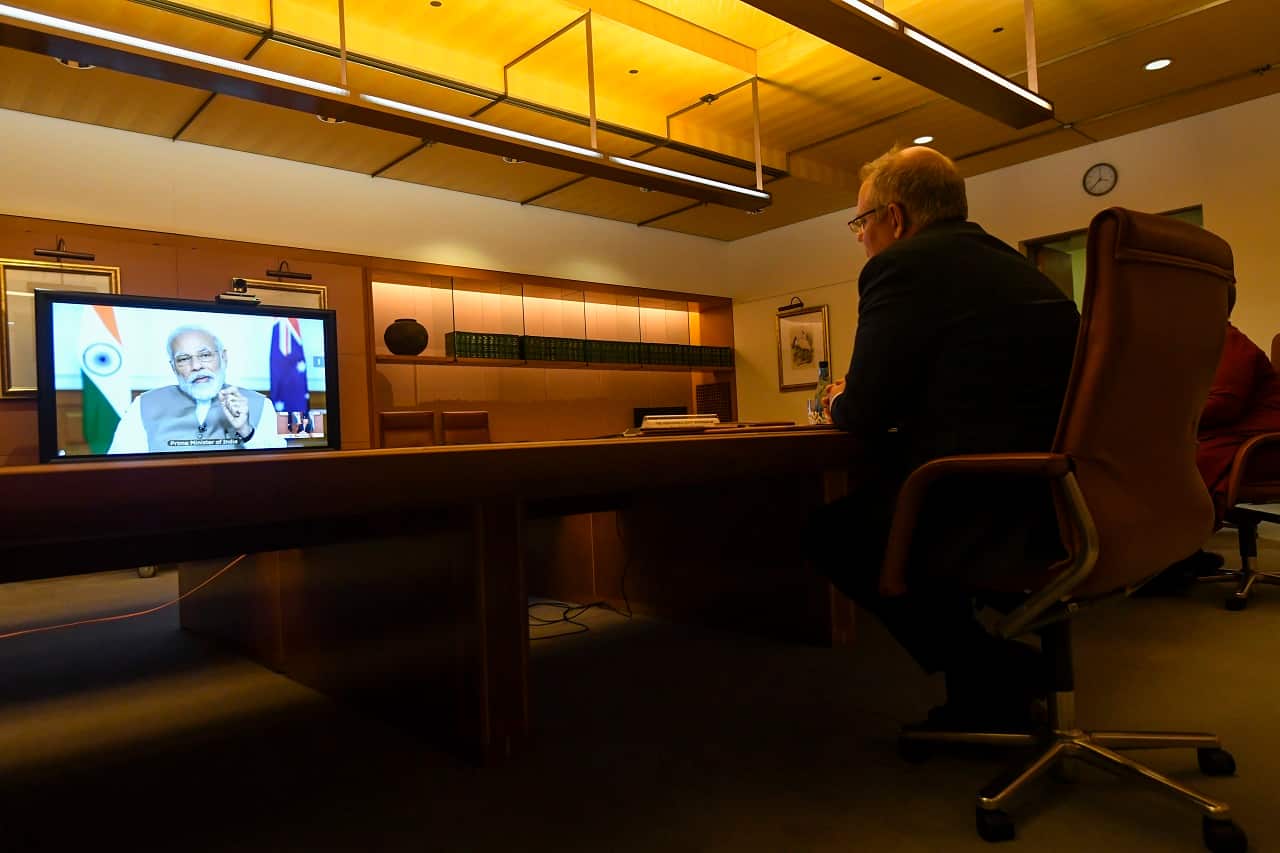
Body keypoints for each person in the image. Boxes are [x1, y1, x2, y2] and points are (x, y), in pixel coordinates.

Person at [813, 145, 1081, 728]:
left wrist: (837, 399)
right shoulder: (1021, 269)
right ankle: (986, 686)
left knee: (835, 534)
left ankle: (990, 670)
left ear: (896, 217)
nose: (860, 237)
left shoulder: (901, 266)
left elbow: (867, 409)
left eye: (861, 221)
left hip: (978, 502)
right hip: (1062, 502)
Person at [1147, 284, 1280, 587]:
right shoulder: (1200, 345)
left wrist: (1161, 416)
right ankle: (1174, 554)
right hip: (1236, 440)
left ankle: (1170, 558)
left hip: (1263, 448)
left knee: (1173, 466)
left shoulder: (1230, 343)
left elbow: (1223, 406)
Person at [108, 325, 287, 454]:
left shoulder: (260, 404)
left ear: (223, 358)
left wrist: (247, 431)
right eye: (183, 359)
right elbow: (120, 468)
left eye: (205, 355)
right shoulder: (143, 405)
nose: (196, 366)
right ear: (173, 367)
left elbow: (279, 467)